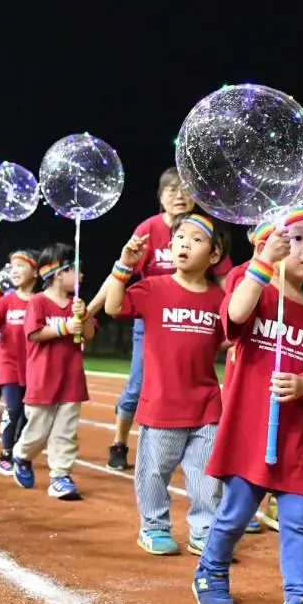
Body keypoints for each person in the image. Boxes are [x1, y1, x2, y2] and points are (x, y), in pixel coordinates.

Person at [191, 206, 303, 604]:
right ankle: (211, 571)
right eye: (296, 238)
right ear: (272, 240)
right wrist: (262, 264)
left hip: (295, 436)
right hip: (251, 428)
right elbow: (235, 317)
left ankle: (300, 602)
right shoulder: (249, 281)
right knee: (235, 512)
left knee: (297, 521)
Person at [104, 212, 228, 556]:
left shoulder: (219, 300)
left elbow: (228, 339)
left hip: (205, 404)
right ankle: (154, 526)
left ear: (215, 255)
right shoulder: (153, 287)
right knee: (154, 472)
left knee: (206, 476)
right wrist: (124, 266)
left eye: (196, 239)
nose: (184, 243)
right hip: (161, 404)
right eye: (179, 237)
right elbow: (114, 305)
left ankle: (204, 530)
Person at [92, 169, 216, 471]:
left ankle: (193, 448)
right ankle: (119, 441)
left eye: (186, 190)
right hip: (150, 321)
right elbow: (121, 270)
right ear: (160, 197)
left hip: (190, 319)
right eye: (171, 190)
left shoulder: (205, 230)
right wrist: (91, 309)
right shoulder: (147, 229)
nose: (179, 196)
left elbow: (225, 278)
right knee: (137, 384)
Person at [12, 243, 94, 500]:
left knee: (65, 432)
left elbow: (88, 334)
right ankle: (22, 455)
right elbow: (34, 334)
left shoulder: (77, 304)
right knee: (37, 431)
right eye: (76, 270)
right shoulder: (38, 302)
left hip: (71, 380)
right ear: (59, 272)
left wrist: (85, 317)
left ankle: (60, 475)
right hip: (43, 379)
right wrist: (65, 328)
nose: (81, 277)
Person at [0, 251, 37, 476]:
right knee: (13, 408)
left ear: (35, 272)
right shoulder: (5, 302)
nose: (14, 270)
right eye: (12, 266)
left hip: (34, 367)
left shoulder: (40, 301)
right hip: (9, 364)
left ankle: (19, 448)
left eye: (20, 266)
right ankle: (5, 452)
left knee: (28, 413)